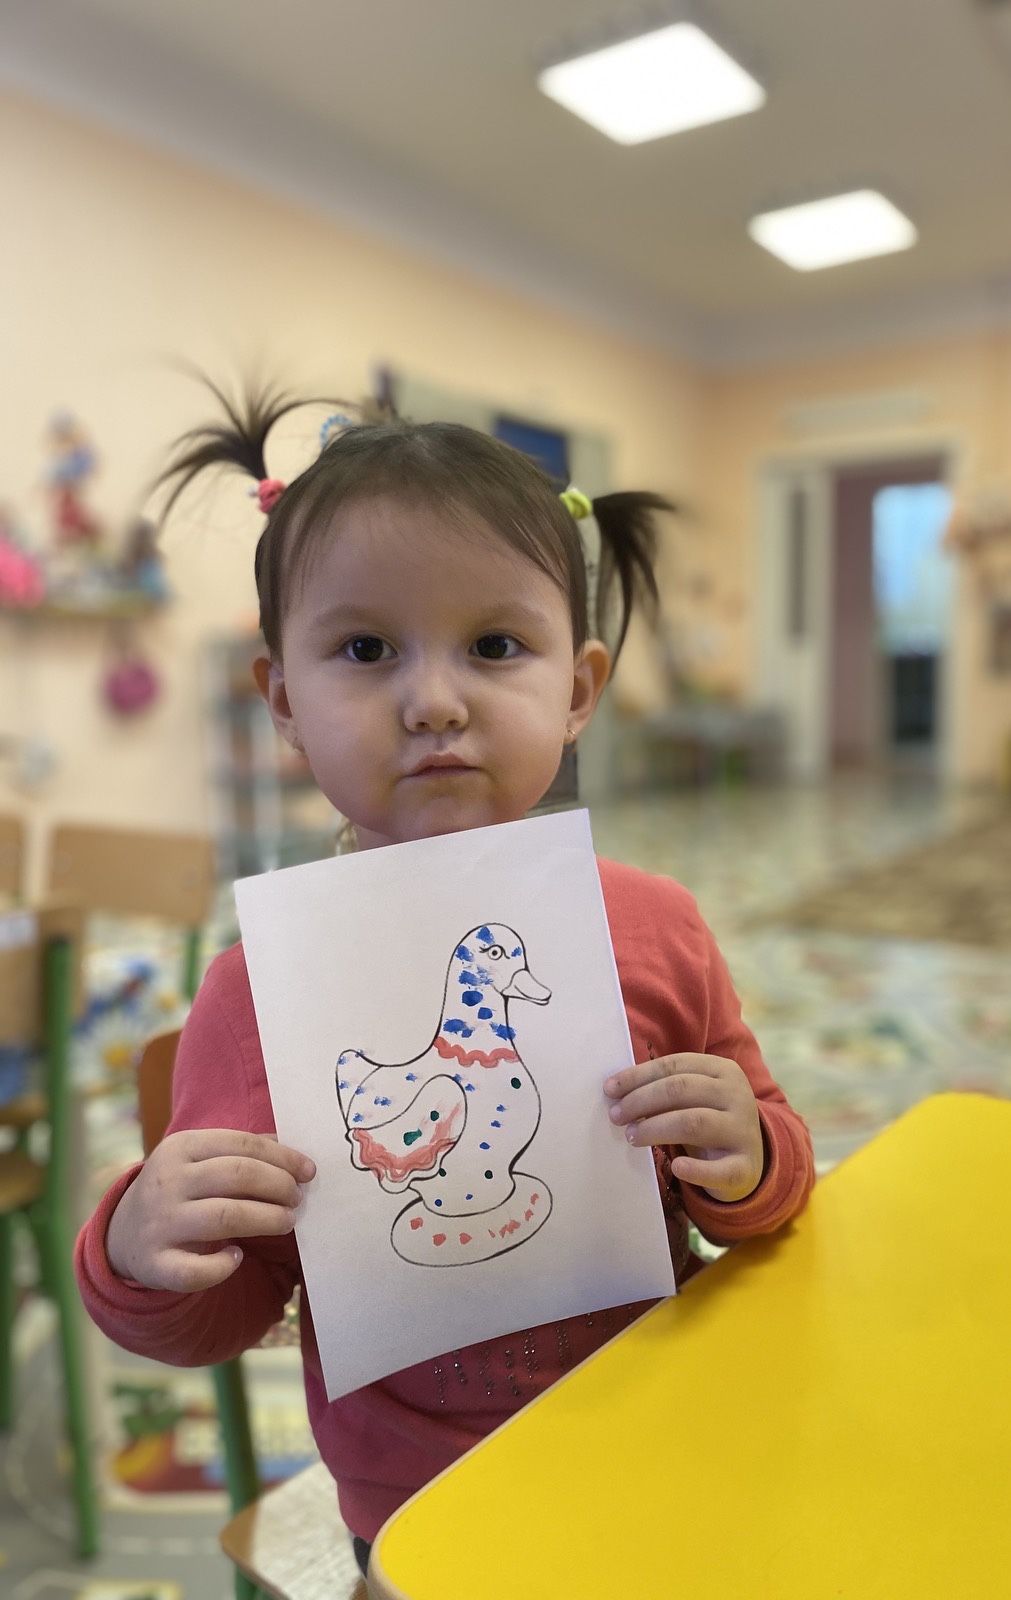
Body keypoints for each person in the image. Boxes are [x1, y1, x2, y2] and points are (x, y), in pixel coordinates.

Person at [75, 386, 815, 1575]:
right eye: (366, 650)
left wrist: (750, 1153)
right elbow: (223, 1312)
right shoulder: (255, 998)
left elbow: (773, 1187)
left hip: (660, 1432)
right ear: (285, 702)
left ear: (578, 690)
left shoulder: (659, 928)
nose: (433, 700)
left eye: (495, 646)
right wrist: (137, 1247)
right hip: (417, 1503)